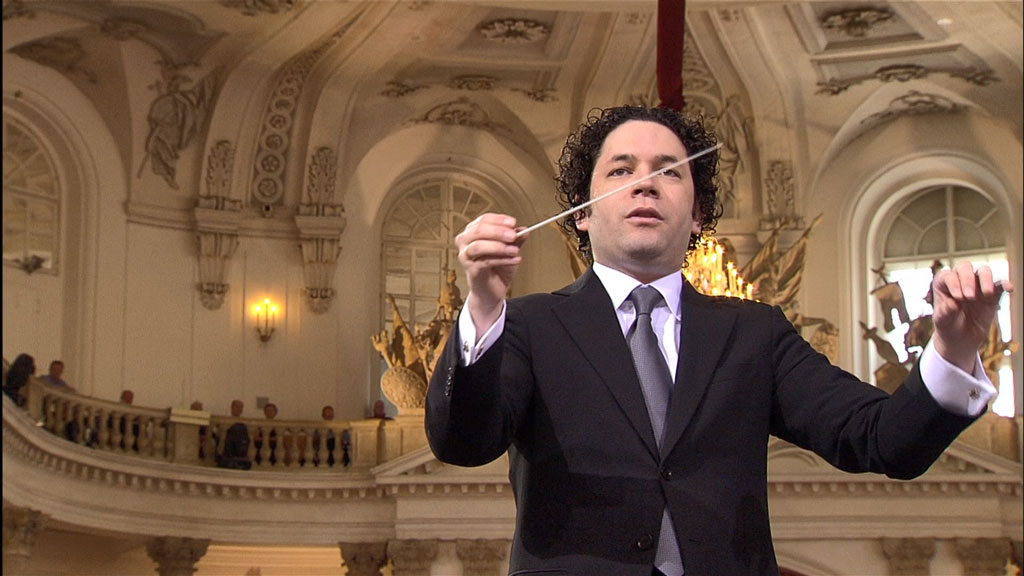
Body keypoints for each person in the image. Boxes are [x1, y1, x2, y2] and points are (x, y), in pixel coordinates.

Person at [424, 105, 1013, 576]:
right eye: (621, 171)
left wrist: (955, 351)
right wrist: (484, 306)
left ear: (698, 213)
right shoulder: (526, 326)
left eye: (669, 171)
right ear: (581, 211)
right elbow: (463, 443)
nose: (645, 185)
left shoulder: (755, 333)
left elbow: (883, 440)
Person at [217, 399, 252, 470]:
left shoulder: (245, 421)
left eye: (241, 407)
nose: (239, 409)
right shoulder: (224, 418)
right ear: (232, 407)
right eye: (237, 406)